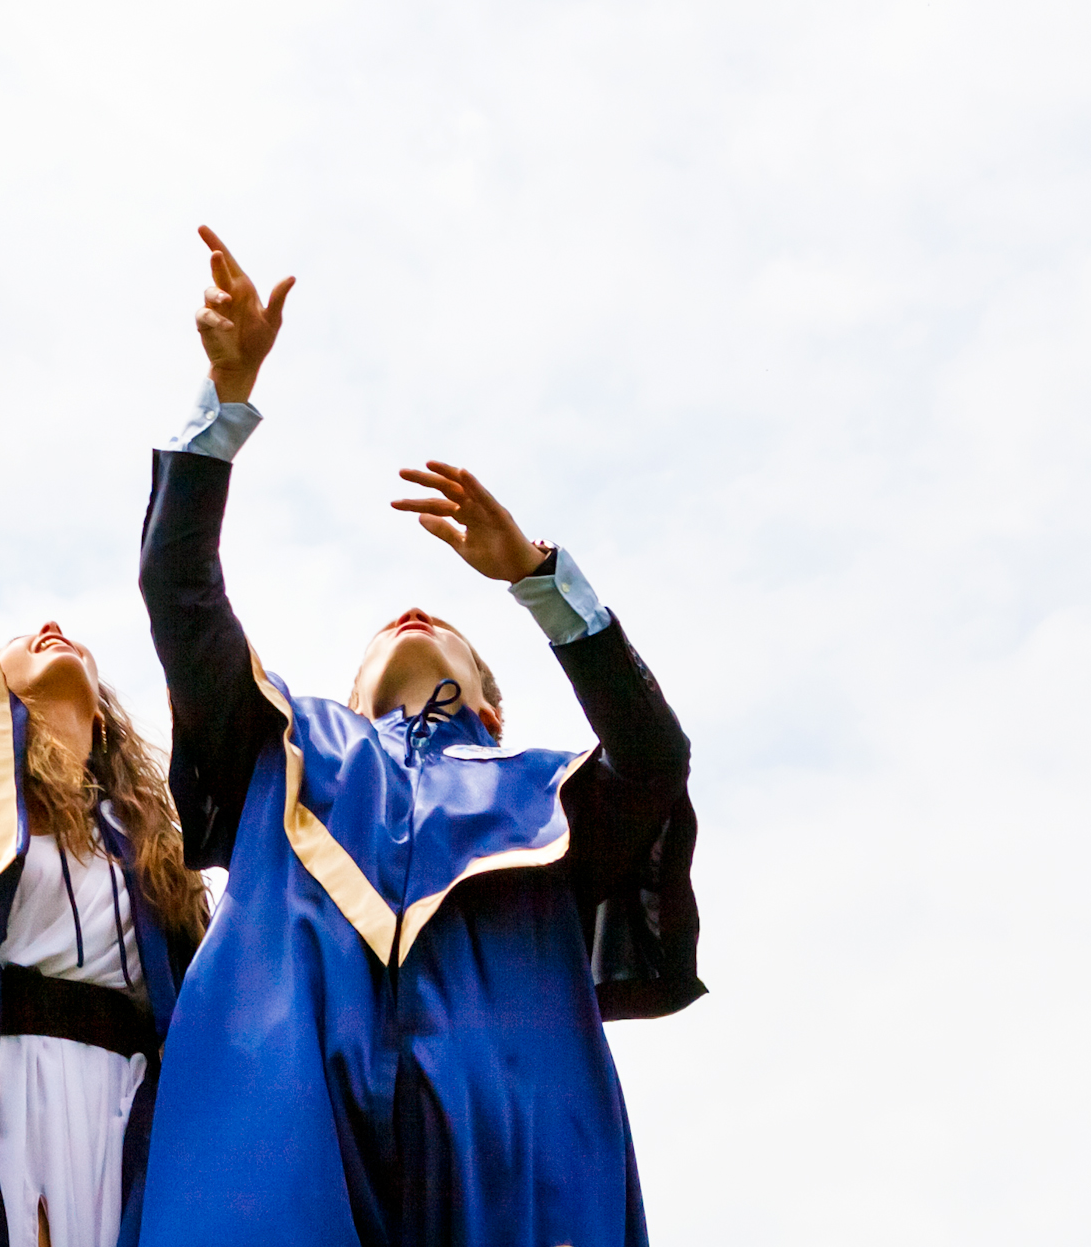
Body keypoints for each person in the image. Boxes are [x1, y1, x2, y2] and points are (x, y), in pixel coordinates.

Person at [132, 229, 702, 1247]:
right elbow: (177, 587)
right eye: (380, 637)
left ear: (493, 704)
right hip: (280, 1085)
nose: (411, 614)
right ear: (345, 696)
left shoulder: (544, 799)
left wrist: (538, 577)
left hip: (507, 1109)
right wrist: (223, 398)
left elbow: (653, 758)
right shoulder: (284, 749)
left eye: (448, 632)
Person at [0, 272, 206, 1247]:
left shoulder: (149, 845)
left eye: (70, 640)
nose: (49, 629)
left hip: (138, 1101)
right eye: (19, 641)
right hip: (7, 1078)